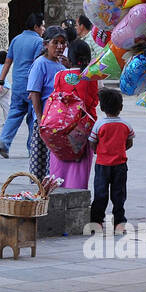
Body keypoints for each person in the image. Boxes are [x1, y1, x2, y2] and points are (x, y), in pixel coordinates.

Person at [42, 38, 97, 193]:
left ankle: (56, 197)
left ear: (70, 57)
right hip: (81, 130)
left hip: (61, 128)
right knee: (79, 172)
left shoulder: (59, 75)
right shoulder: (91, 78)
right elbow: (93, 102)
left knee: (58, 168)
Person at [0, 12, 45, 158]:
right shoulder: (39, 42)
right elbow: (37, 64)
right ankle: (32, 148)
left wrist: (1, 80)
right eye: (42, 25)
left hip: (17, 83)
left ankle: (4, 141)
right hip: (32, 85)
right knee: (33, 117)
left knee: (14, 114)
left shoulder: (16, 39)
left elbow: (7, 62)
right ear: (36, 27)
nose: (43, 29)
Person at [25, 26, 68, 182]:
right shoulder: (40, 64)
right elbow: (35, 92)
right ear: (45, 45)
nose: (59, 47)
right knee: (41, 160)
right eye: (55, 43)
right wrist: (39, 117)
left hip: (59, 121)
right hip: (45, 120)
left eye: (63, 43)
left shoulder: (62, 65)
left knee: (55, 161)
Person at [89, 88, 134, 233]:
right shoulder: (126, 124)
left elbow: (92, 142)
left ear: (101, 108)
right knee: (119, 195)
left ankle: (96, 222)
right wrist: (119, 149)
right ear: (121, 107)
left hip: (102, 165)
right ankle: (119, 223)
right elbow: (129, 142)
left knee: (100, 194)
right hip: (120, 165)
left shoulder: (99, 124)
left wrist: (98, 151)